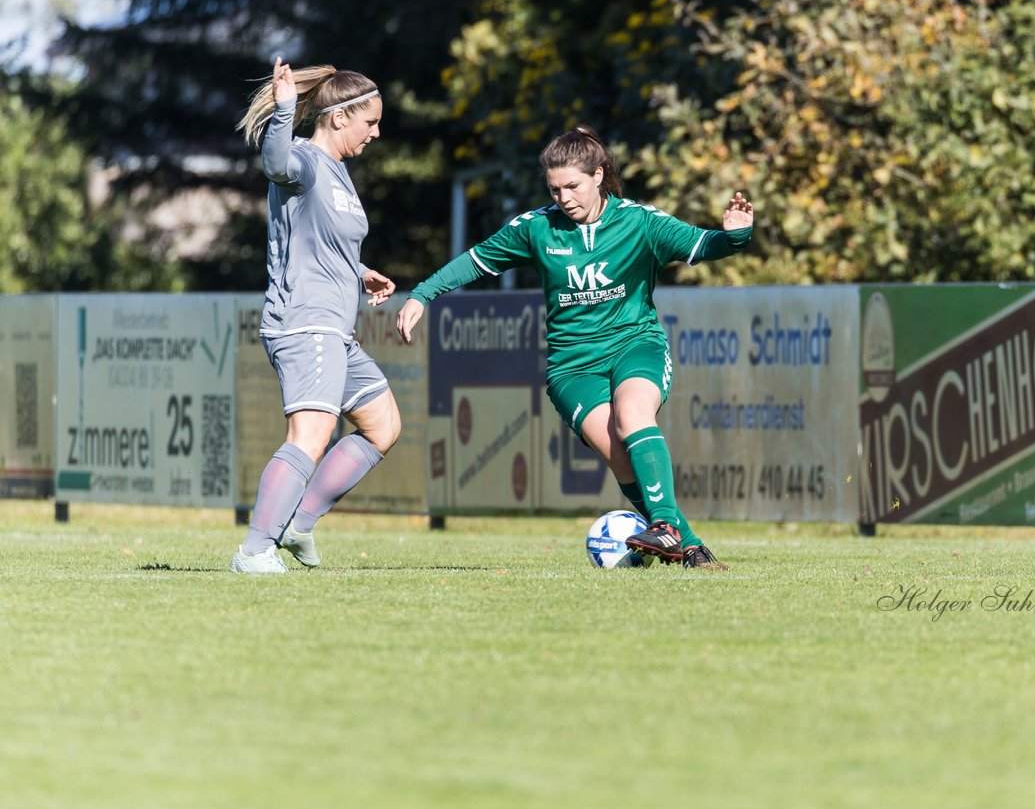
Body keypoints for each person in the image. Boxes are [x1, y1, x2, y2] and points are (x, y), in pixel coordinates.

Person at [396, 125, 753, 569]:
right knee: (622, 461)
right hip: (572, 367)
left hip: (634, 344)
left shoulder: (640, 223)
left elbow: (704, 245)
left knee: (632, 416)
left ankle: (665, 525)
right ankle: (690, 546)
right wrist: (422, 294)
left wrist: (736, 235)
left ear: (599, 175)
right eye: (554, 188)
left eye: (573, 186)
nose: (563, 197)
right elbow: (474, 261)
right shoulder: (536, 228)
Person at [229, 58, 402, 573]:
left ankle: (298, 524)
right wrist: (283, 111)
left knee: (382, 425)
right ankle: (255, 550)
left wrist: (360, 270)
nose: (377, 132)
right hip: (305, 323)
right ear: (339, 117)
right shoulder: (303, 158)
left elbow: (314, 239)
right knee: (310, 434)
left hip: (334, 329)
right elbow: (275, 162)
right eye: (370, 122)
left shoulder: (339, 175)